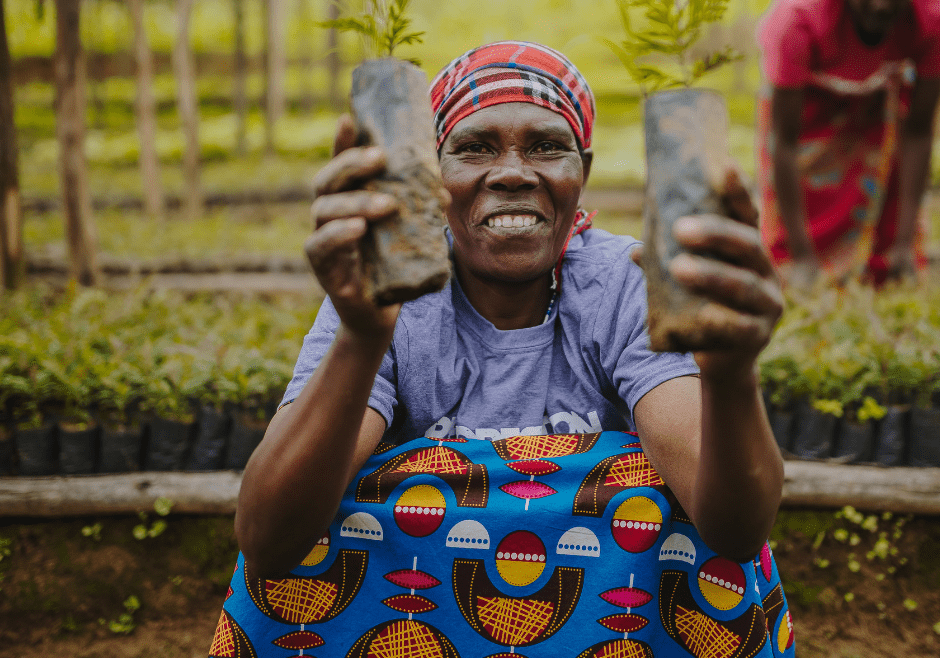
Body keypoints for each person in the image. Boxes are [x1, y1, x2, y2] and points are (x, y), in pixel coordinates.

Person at [234, 41, 785, 587]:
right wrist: (360, 338)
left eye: (547, 147)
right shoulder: (383, 295)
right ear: (433, 175)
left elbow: (734, 533)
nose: (513, 174)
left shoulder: (623, 285)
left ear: (583, 172)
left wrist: (732, 378)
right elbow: (267, 542)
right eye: (475, 148)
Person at [756, 0, 940, 289]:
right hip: (810, 100)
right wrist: (802, 257)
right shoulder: (799, 16)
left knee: (884, 180)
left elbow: (918, 131)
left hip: (880, 96)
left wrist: (904, 243)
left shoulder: (935, 14)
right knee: (813, 193)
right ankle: (802, 265)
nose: (882, 2)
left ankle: (886, 268)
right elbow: (783, 143)